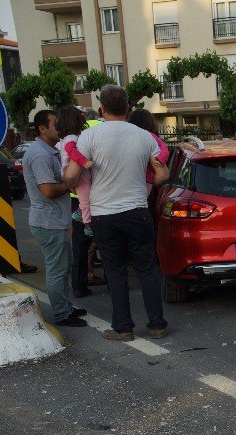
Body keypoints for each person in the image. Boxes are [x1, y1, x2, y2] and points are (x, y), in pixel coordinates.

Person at [64, 84, 169, 342]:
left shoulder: (90, 137)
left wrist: (70, 180)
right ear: (128, 108)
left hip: (104, 214)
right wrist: (142, 184)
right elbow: (162, 174)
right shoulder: (144, 137)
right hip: (137, 210)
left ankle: (123, 328)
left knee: (115, 270)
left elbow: (72, 176)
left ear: (101, 108)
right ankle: (157, 324)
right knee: (147, 268)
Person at [23, 109, 87, 327]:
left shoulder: (49, 150)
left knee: (64, 266)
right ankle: (61, 314)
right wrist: (70, 183)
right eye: (54, 124)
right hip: (48, 222)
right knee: (57, 269)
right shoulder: (40, 154)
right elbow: (48, 190)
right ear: (42, 128)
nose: (59, 127)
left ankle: (65, 307)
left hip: (55, 220)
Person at [56, 106, 100, 299]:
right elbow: (73, 159)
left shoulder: (68, 137)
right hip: (86, 192)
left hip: (75, 196)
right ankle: (80, 285)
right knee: (88, 241)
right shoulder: (80, 136)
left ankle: (80, 283)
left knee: (80, 245)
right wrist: (84, 162)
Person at [126, 109, 170, 196]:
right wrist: (160, 159)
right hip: (145, 181)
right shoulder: (149, 136)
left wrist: (159, 159)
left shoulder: (132, 137)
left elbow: (163, 147)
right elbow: (164, 147)